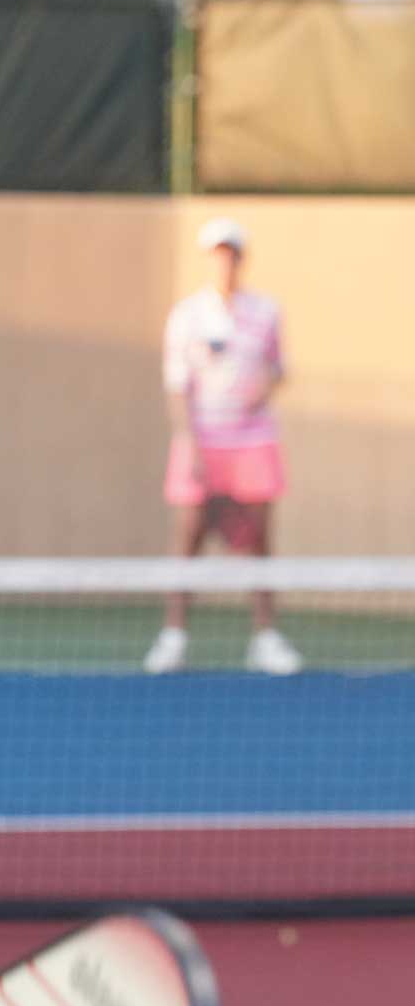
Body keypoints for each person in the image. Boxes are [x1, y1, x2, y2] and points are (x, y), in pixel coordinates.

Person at [143, 218, 302, 676]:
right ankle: (174, 637)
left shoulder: (267, 312)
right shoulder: (187, 316)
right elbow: (177, 386)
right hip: (202, 440)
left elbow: (279, 368)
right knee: (188, 534)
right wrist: (188, 441)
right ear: (208, 258)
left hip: (253, 440)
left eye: (231, 253)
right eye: (217, 253)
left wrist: (263, 390)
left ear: (241, 258)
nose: (225, 261)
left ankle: (266, 637)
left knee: (260, 538)